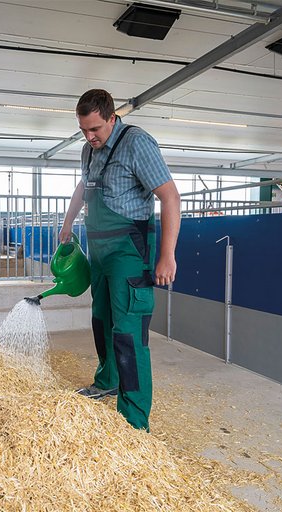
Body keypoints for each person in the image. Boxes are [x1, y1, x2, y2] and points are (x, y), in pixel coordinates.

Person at [58, 89, 180, 431]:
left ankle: (134, 419)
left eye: (95, 128)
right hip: (99, 252)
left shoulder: (137, 144)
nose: (89, 136)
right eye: (83, 130)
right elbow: (84, 186)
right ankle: (107, 380)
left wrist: (167, 255)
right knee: (101, 319)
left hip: (129, 252)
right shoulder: (88, 149)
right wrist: (68, 223)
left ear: (112, 117)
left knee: (128, 332)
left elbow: (170, 197)